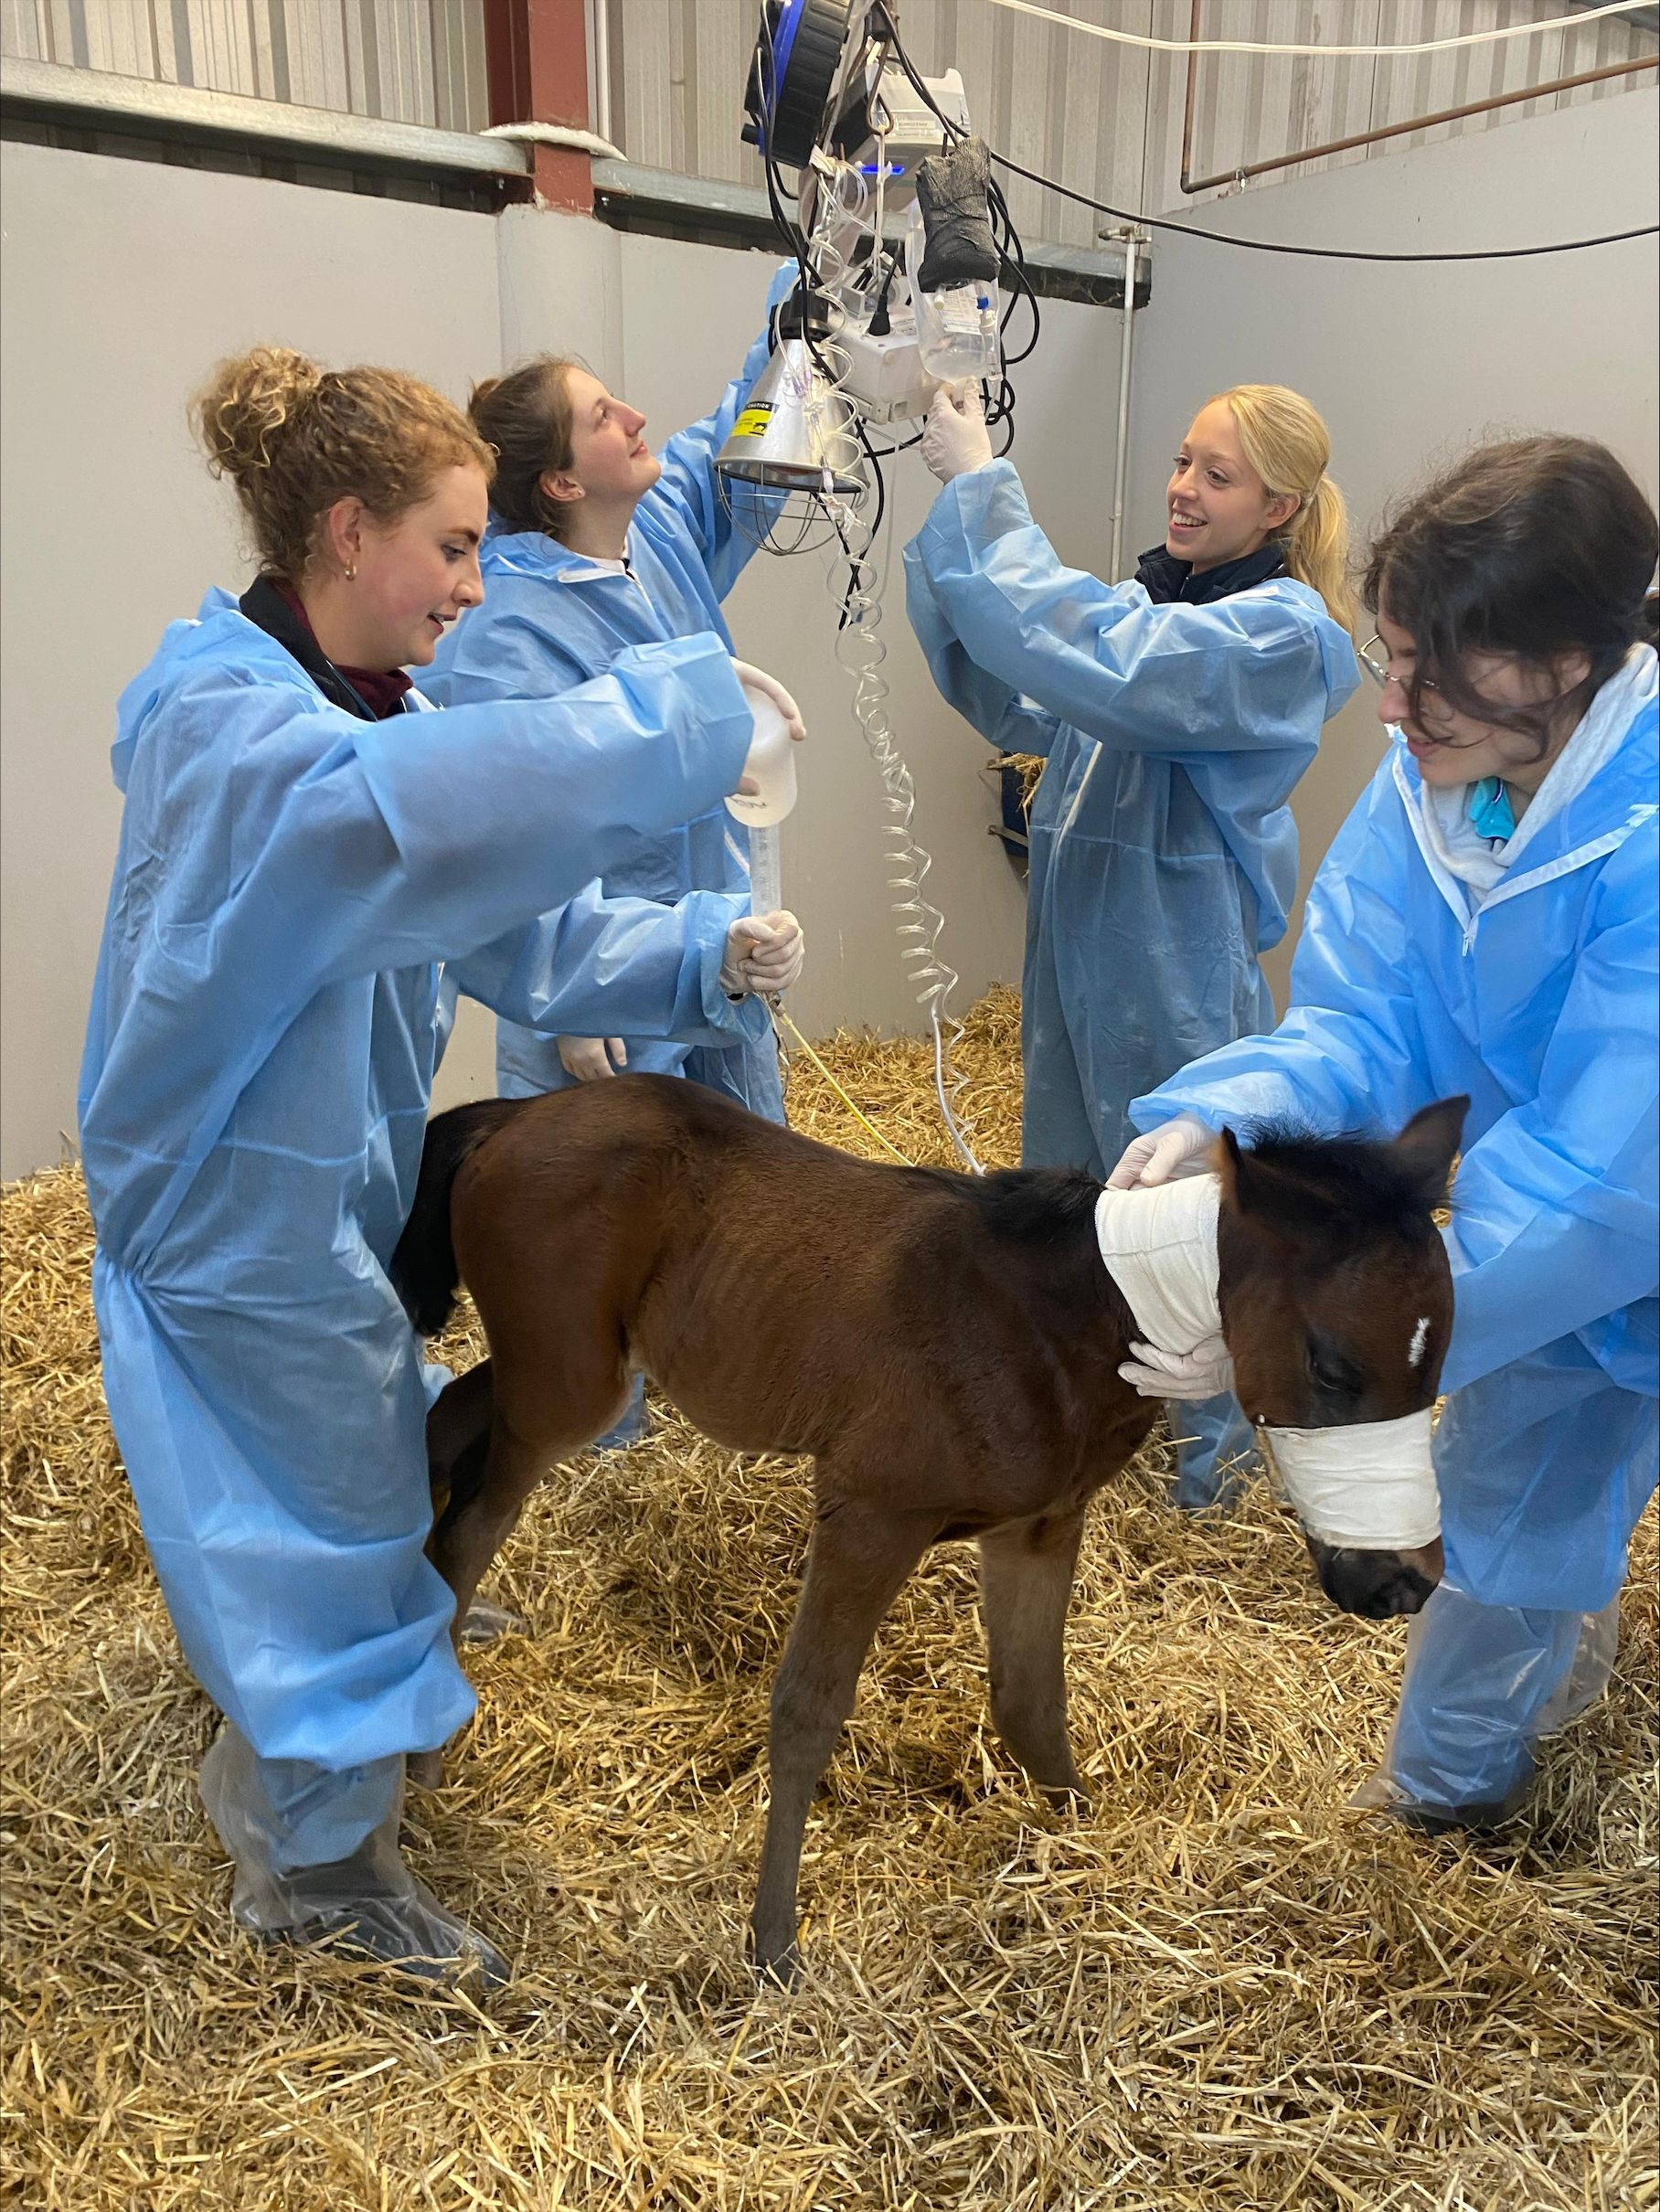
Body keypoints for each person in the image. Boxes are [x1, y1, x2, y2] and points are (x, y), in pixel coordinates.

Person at [79, 346, 800, 1990]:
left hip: (304, 1191)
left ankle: (297, 1759)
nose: (477, 587)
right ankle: (319, 1872)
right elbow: (428, 814)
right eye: (457, 547)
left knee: (342, 1493)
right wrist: (685, 715)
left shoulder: (361, 714)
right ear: (347, 533)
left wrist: (703, 951)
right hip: (230, 1212)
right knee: (334, 1522)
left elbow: (505, 912)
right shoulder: (236, 730)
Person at [1113, 435, 1658, 1833]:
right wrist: (1224, 1123)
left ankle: (1444, 1807)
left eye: (1430, 670)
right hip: (1562, 1228)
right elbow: (1367, 1028)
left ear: (1560, 662)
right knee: (1528, 1482)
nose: (1390, 708)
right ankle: (1504, 1738)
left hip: (1614, 1214)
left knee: (1537, 1482)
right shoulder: (1437, 781)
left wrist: (1301, 1326)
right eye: (1391, 657)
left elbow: (1605, 1179)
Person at [904, 380, 1359, 1507]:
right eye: (1181, 459)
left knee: (1187, 1217)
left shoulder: (1281, 633)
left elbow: (1114, 664)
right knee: (1072, 1193)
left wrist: (982, 490)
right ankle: (1085, 1424)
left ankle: (1218, 1482)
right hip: (1078, 945)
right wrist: (944, 521)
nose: (1182, 488)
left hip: (1172, 954)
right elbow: (1022, 688)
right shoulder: (1153, 604)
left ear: (1281, 508)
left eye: (1218, 474)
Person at [424, 262, 803, 1124]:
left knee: (741, 1209)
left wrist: (796, 330)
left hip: (716, 947)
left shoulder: (659, 532)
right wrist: (572, 994)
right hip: (601, 999)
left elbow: (739, 446)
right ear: (560, 483)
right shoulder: (509, 629)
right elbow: (515, 821)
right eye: (603, 417)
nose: (635, 419)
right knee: (618, 1223)